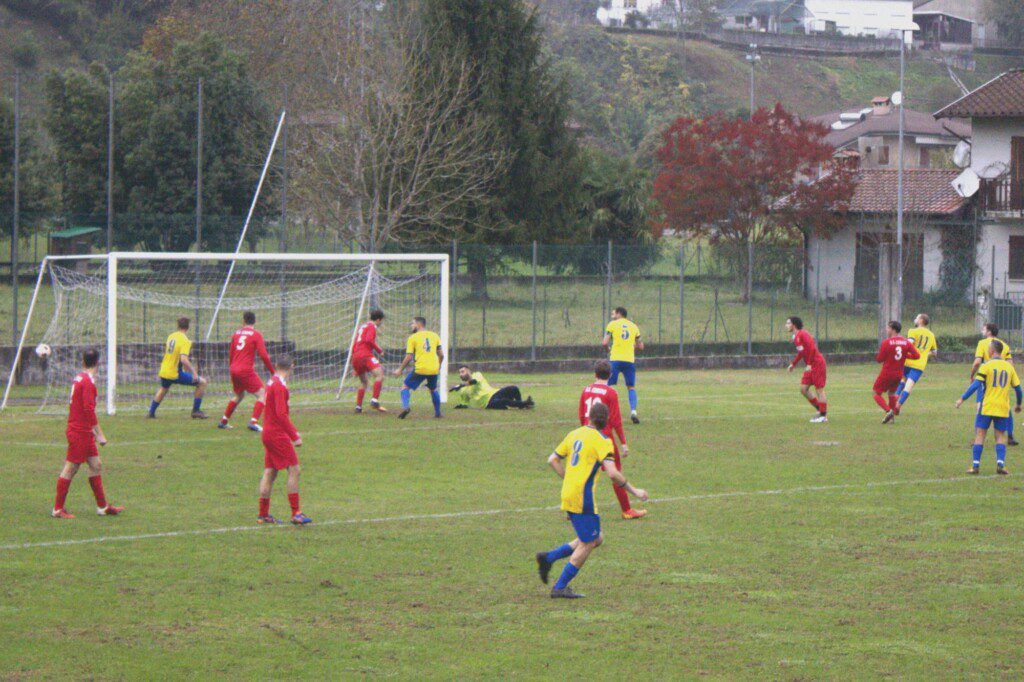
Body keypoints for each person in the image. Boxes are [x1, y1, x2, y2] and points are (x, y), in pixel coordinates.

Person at [534, 402, 649, 599]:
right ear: (606, 422)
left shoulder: (574, 434)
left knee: (596, 537)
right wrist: (634, 491)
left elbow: (552, 459)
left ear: (589, 417)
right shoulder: (603, 440)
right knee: (589, 541)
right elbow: (613, 473)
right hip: (582, 498)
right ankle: (560, 587)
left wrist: (569, 478)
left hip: (569, 493)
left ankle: (548, 558)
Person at [52, 349, 124, 519]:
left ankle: (102, 507)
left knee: (96, 464)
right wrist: (100, 434)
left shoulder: (80, 378)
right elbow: (88, 410)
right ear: (98, 363)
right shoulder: (88, 382)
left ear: (83, 362)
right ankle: (57, 510)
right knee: (71, 468)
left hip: (83, 431)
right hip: (80, 432)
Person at [579, 360, 646, 520]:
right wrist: (623, 443)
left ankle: (573, 509)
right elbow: (616, 420)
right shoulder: (611, 393)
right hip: (604, 439)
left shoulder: (586, 389)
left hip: (587, 436)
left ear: (595, 374)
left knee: (584, 473)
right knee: (615, 473)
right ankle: (626, 510)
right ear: (610, 375)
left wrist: (585, 432)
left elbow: (582, 415)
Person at [257, 355, 311, 525]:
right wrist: (294, 435)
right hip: (277, 434)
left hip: (267, 432)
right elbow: (281, 414)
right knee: (295, 470)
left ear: (275, 365)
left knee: (270, 472)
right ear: (292, 366)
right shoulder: (279, 386)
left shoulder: (272, 381)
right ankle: (296, 513)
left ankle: (263, 514)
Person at [956, 339, 1021, 474]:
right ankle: (1000, 465)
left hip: (987, 406)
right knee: (1000, 436)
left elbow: (975, 385)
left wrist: (962, 398)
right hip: (1003, 407)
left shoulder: (986, 366)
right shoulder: (1009, 367)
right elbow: (1019, 389)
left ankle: (975, 466)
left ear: (991, 351)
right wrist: (1019, 404)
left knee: (980, 435)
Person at [219, 311, 275, 431]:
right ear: (255, 321)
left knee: (239, 395)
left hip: (234, 368)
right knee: (263, 394)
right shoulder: (256, 335)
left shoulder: (236, 334)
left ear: (243, 321)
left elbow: (231, 354)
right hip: (245, 370)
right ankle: (253, 422)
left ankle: (223, 421)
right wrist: (272, 371)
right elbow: (264, 355)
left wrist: (232, 368)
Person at [149, 317, 208, 419]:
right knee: (202, 382)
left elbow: (175, 354)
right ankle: (196, 411)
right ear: (188, 327)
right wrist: (194, 373)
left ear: (178, 326)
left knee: (164, 388)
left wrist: (184, 368)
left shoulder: (171, 336)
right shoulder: (185, 340)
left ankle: (151, 412)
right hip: (174, 373)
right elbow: (184, 359)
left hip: (164, 370)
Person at [972, 323, 1018, 446]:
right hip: (1002, 380)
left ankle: (978, 437)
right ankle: (1010, 436)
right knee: (1005, 405)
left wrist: (972, 375)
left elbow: (977, 362)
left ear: (989, 331)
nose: (982, 330)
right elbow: (1011, 364)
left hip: (987, 379)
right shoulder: (1004, 345)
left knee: (980, 406)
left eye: (984, 328)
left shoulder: (982, 343)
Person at [393, 316, 444, 419]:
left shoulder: (413, 338)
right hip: (434, 368)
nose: (412, 326)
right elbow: (441, 355)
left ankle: (405, 407)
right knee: (433, 389)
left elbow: (409, 356)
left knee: (405, 387)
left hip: (420, 368)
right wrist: (438, 366)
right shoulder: (435, 335)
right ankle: (438, 413)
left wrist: (400, 369)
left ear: (418, 324)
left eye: (413, 324)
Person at [602, 306, 643, 424]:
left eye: (613, 313)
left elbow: (604, 342)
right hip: (629, 360)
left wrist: (607, 349)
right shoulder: (634, 326)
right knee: (631, 387)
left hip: (615, 359)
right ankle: (634, 411)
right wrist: (631, 346)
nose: (612, 315)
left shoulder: (612, 325)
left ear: (619, 313)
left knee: (609, 386)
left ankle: (608, 413)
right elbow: (641, 346)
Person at [785, 316, 828, 423]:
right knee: (803, 389)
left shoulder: (803, 334)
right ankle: (820, 410)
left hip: (817, 363)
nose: (786, 325)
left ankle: (823, 416)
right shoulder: (795, 337)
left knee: (819, 390)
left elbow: (812, 348)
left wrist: (809, 364)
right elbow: (801, 353)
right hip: (810, 365)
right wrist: (793, 364)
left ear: (794, 325)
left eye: (788, 323)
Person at [876, 321, 919, 424]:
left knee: (876, 393)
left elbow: (879, 359)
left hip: (887, 372)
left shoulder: (886, 342)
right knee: (891, 393)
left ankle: (889, 411)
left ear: (893, 329)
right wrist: (906, 356)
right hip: (898, 374)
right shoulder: (906, 342)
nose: (886, 330)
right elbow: (917, 356)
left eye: (888, 328)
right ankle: (891, 419)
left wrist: (887, 355)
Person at [894, 313, 937, 413]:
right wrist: (925, 354)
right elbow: (935, 352)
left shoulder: (913, 331)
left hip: (908, 361)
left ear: (921, 320)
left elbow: (908, 344)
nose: (915, 319)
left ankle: (894, 399)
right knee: (909, 385)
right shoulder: (931, 335)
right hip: (919, 364)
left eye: (916, 317)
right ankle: (898, 405)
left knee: (902, 380)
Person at [351, 309, 387, 414]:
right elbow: (369, 340)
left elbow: (355, 344)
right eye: (381, 321)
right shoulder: (372, 326)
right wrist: (379, 350)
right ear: (379, 320)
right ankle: (374, 400)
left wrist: (355, 366)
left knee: (364, 382)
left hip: (356, 356)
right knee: (380, 375)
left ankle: (358, 407)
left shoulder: (363, 326)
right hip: (365, 355)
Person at [451, 366, 533, 410]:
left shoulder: (477, 374)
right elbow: (465, 403)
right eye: (459, 373)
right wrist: (460, 406)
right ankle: (525, 403)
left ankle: (520, 405)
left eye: (462, 371)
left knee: (514, 388)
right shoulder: (463, 391)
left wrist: (461, 385)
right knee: (504, 401)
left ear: (468, 371)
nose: (460, 374)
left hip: (495, 393)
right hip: (488, 403)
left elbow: (474, 382)